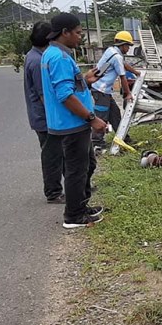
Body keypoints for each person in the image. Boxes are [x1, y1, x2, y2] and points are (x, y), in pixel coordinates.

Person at [41, 13, 107, 228]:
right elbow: (65, 96)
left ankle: (81, 206)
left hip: (70, 122)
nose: (80, 37)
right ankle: (74, 216)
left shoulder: (53, 53)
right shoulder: (58, 58)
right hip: (71, 124)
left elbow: (69, 88)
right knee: (77, 170)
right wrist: (92, 118)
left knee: (86, 165)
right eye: (78, 33)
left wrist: (85, 80)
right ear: (65, 32)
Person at [23, 21, 65, 203]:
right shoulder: (38, 61)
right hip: (45, 118)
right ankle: (53, 192)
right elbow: (44, 96)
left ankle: (69, 186)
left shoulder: (32, 55)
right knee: (52, 155)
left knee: (58, 153)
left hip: (41, 116)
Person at [90, 31, 140, 150]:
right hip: (101, 90)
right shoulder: (116, 56)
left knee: (115, 114)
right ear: (122, 44)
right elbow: (122, 77)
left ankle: (122, 137)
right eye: (127, 46)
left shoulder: (111, 51)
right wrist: (128, 93)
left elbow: (123, 64)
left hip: (102, 89)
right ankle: (97, 142)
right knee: (102, 116)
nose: (128, 49)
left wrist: (136, 72)